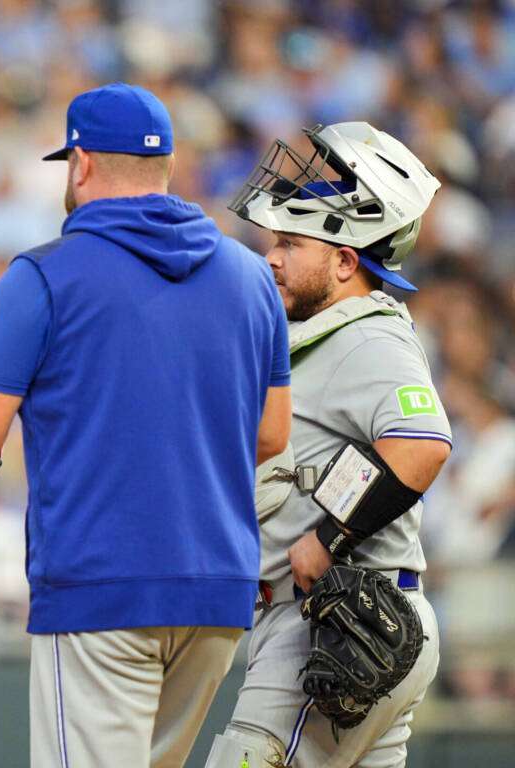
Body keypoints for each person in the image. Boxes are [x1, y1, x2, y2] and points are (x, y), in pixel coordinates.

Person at [0, 82, 293, 767]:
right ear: (167, 166)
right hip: (217, 591)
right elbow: (271, 434)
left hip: (101, 586)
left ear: (81, 163)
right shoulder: (249, 275)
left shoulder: (45, 276)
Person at [205, 122, 451, 767]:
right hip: (352, 614)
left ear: (346, 261)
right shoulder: (329, 335)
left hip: (342, 616)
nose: (272, 258)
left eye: (290, 242)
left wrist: (328, 533)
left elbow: (421, 445)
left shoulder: (370, 339)